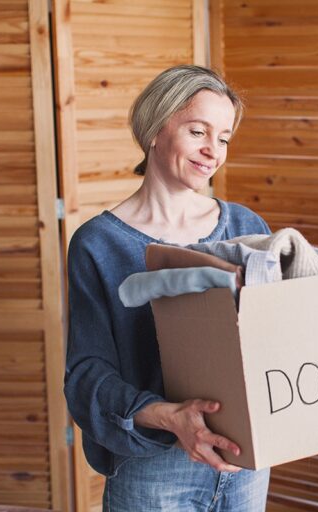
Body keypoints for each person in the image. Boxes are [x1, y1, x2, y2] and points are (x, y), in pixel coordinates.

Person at [64, 65, 272, 511]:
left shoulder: (246, 228)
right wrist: (172, 418)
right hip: (153, 469)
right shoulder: (99, 244)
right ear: (156, 130)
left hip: (245, 463)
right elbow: (87, 376)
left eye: (224, 138)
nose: (212, 151)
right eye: (198, 131)